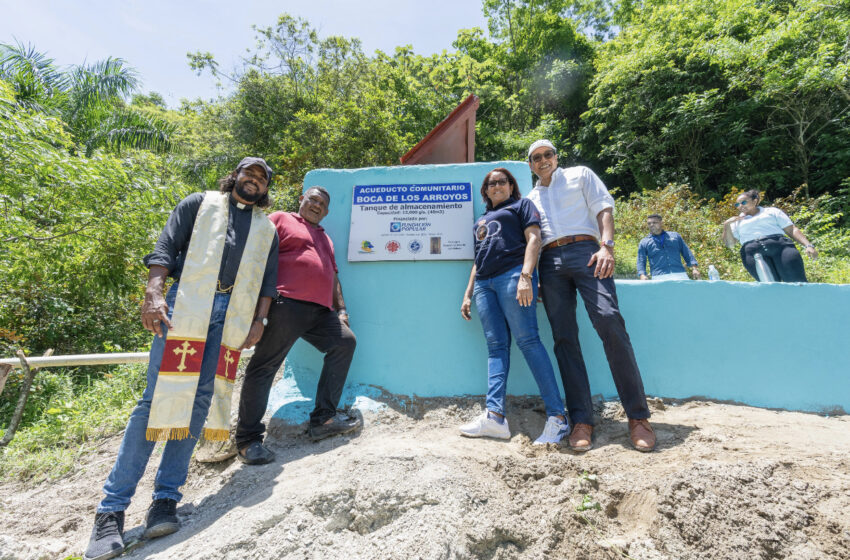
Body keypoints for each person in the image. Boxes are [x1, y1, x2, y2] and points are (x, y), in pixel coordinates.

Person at [85, 158, 279, 560]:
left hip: (232, 315)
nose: (254, 181)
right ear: (235, 176)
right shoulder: (199, 203)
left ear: (265, 189)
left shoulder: (267, 229)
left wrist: (259, 319)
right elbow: (165, 247)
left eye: (262, 178)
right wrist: (154, 294)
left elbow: (267, 280)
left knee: (200, 400)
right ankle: (111, 512)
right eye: (249, 173)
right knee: (155, 400)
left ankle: (165, 501)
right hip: (186, 304)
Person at [526, 140, 655, 453]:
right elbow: (533, 238)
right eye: (536, 158)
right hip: (550, 262)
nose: (543, 160)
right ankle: (581, 420)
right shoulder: (531, 198)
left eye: (548, 155)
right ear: (530, 164)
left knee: (609, 321)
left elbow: (604, 208)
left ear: (556, 157)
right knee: (564, 339)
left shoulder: (580, 175)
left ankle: (638, 417)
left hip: (588, 251)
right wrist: (536, 277)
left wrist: (606, 246)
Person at [234, 186, 360, 465]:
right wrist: (257, 309)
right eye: (312, 200)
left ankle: (324, 419)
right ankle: (247, 440)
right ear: (301, 200)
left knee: (344, 343)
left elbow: (333, 275)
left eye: (322, 204)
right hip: (285, 304)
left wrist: (341, 309)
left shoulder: (325, 237)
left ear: (327, 212)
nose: (316, 206)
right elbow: (256, 258)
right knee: (264, 366)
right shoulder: (280, 219)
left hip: (321, 312)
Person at [459, 168, 569, 445]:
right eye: (491, 183)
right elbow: (478, 259)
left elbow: (535, 239)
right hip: (485, 284)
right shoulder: (481, 219)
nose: (496, 185)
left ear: (511, 186)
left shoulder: (522, 206)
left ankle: (558, 417)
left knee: (528, 341)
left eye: (502, 181)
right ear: (485, 190)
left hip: (512, 276)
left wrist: (526, 276)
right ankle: (495, 418)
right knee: (495, 347)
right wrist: (468, 293)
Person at [722, 190, 817, 282]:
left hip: (781, 247)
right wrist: (726, 225)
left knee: (797, 282)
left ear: (755, 201)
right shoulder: (736, 221)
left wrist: (808, 245)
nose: (740, 206)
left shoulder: (771, 211)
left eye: (743, 202)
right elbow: (730, 244)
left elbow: (791, 229)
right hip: (753, 253)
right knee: (770, 288)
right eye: (737, 204)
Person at [637, 214, 700, 281]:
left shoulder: (675, 236)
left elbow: (687, 252)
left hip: (680, 275)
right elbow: (641, 260)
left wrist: (694, 268)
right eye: (649, 223)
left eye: (654, 222)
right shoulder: (644, 242)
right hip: (659, 277)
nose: (651, 225)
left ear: (661, 223)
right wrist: (642, 275)